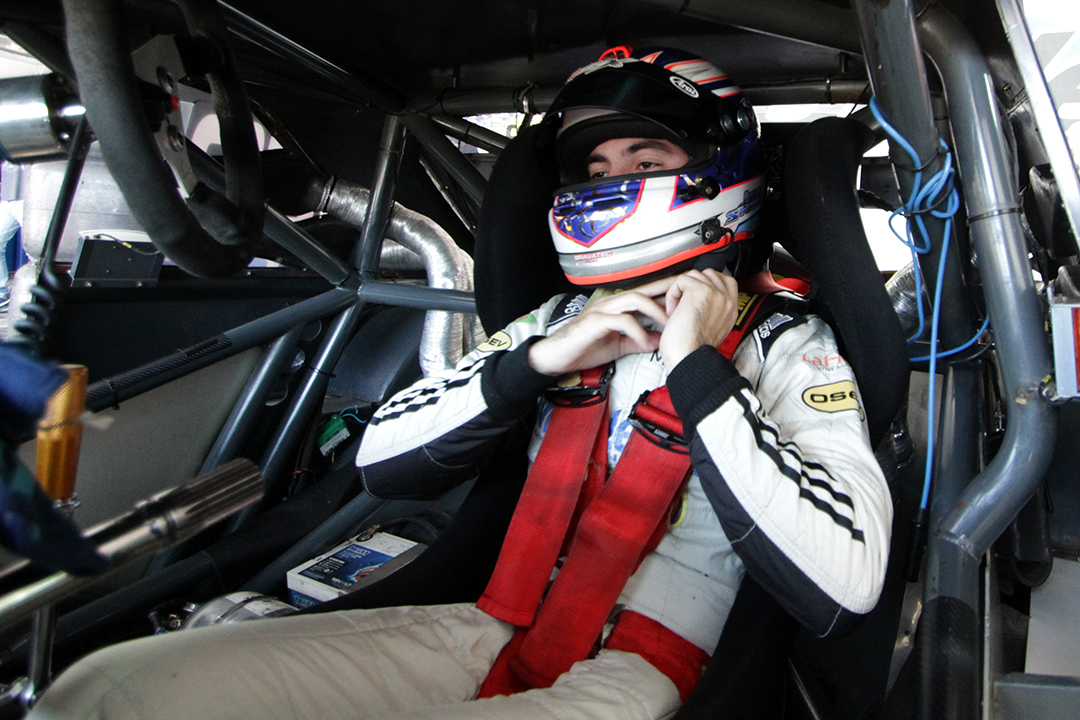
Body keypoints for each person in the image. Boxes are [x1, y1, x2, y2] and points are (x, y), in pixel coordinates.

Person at [28, 48, 891, 720]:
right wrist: (533, 364)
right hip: (487, 626)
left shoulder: (787, 342)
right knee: (107, 691)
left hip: (639, 673)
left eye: (643, 156)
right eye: (595, 171)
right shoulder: (561, 319)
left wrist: (697, 366)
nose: (611, 182)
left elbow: (846, 574)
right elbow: (382, 457)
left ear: (714, 169)